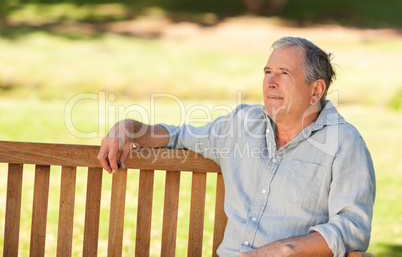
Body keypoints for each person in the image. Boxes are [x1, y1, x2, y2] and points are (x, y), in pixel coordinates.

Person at [98, 37, 376, 257]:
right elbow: (177, 135)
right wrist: (129, 128)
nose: (270, 82)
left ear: (316, 91)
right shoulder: (242, 125)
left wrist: (284, 250)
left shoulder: (344, 142)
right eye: (267, 72)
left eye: (284, 73)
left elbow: (352, 227)